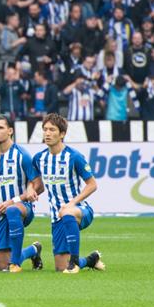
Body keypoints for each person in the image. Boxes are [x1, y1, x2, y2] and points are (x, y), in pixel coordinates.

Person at [28, 113, 105, 273]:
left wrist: (72, 203)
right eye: (45, 129)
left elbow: (92, 184)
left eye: (52, 130)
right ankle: (91, 259)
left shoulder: (74, 156)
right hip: (57, 217)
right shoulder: (39, 158)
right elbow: (36, 183)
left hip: (80, 211)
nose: (47, 133)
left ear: (62, 134)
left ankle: (75, 263)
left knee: (68, 213)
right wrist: (30, 189)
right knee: (60, 267)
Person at [0, 116, 43, 272]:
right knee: (1, 267)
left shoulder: (22, 155)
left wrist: (12, 201)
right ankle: (33, 250)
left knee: (12, 210)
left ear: (10, 131)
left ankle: (16, 264)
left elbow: (39, 185)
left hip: (22, 208)